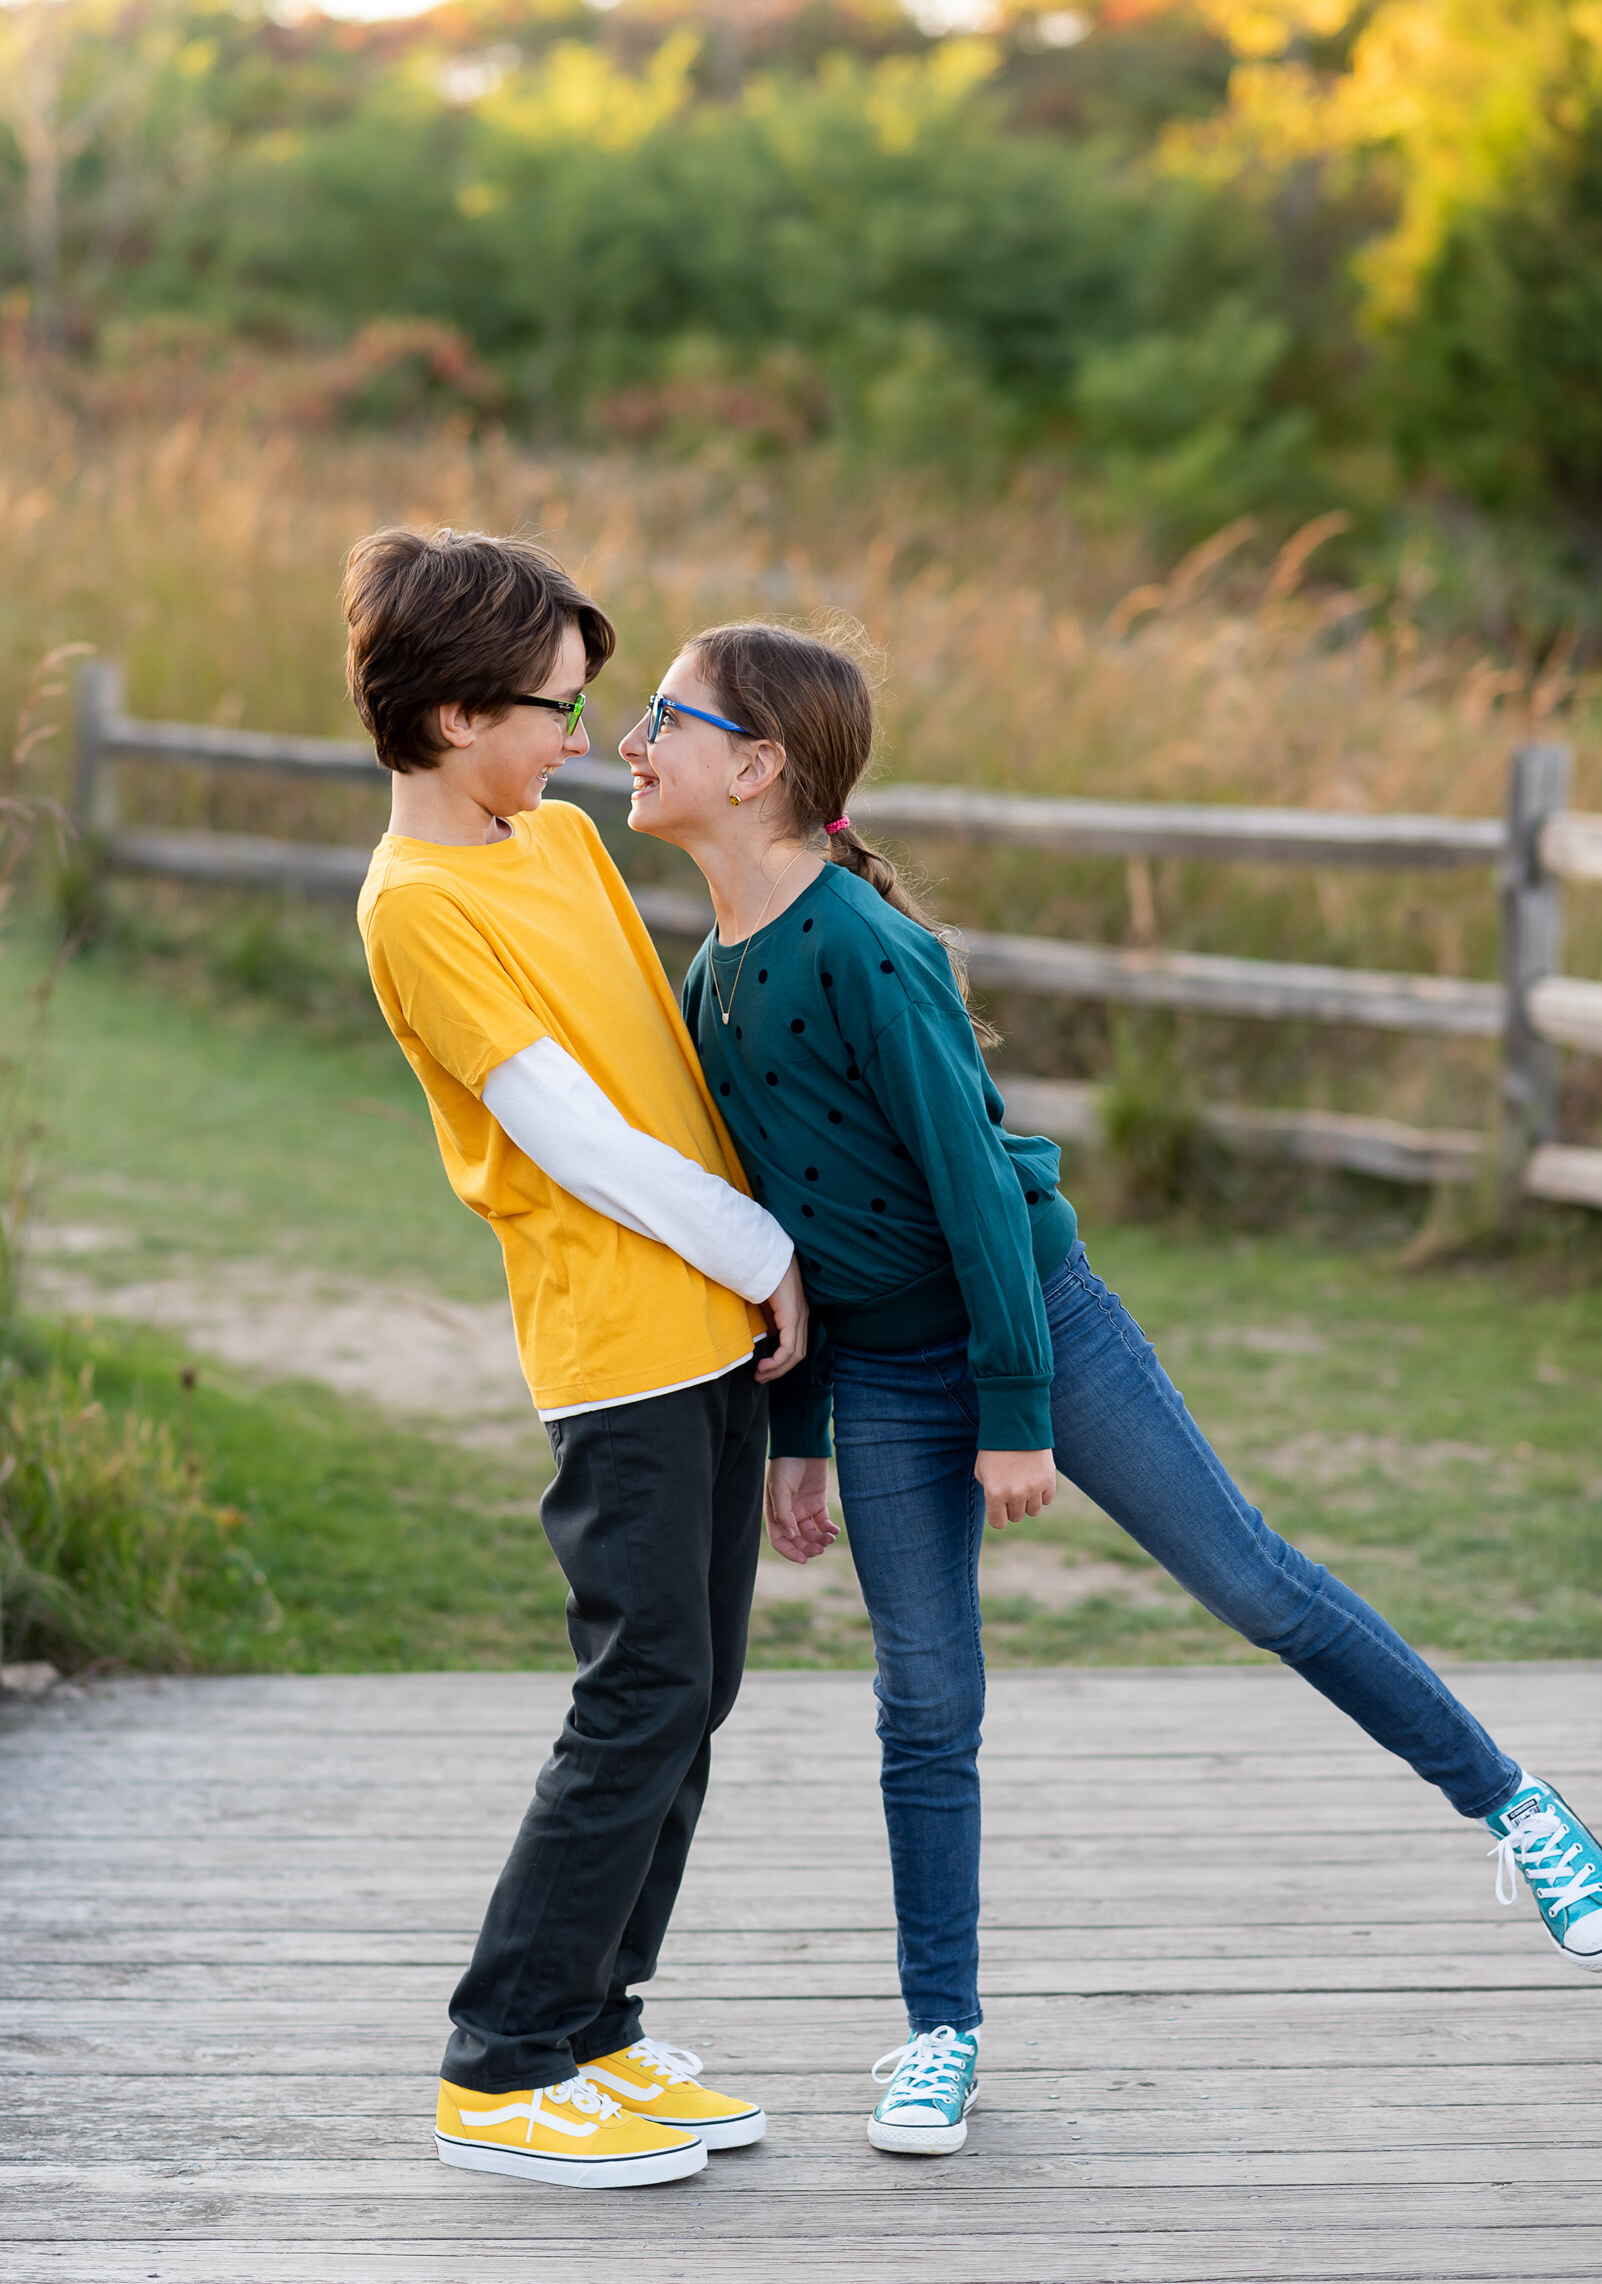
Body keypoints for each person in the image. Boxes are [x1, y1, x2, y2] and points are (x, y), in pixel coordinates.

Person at [618, 616, 1602, 2160]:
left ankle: (1517, 1808)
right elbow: (781, 1231)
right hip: (873, 1372)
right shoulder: (713, 977)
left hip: (1034, 1324)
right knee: (923, 1707)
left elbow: (973, 1195)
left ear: (754, 769)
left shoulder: (872, 956)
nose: (629, 741)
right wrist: (796, 1439)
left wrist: (1016, 1409)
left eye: (658, 717)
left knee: (1255, 1584)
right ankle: (938, 2034)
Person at [348, 529, 810, 2189]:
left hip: (708, 1324)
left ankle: (597, 2032)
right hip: (617, 1345)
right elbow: (570, 1136)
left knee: (698, 1693)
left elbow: (663, 1055)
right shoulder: (418, 906)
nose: (579, 738)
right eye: (553, 706)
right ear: (456, 713)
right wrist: (769, 1256)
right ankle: (500, 2061)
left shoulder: (544, 842)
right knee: (637, 1698)